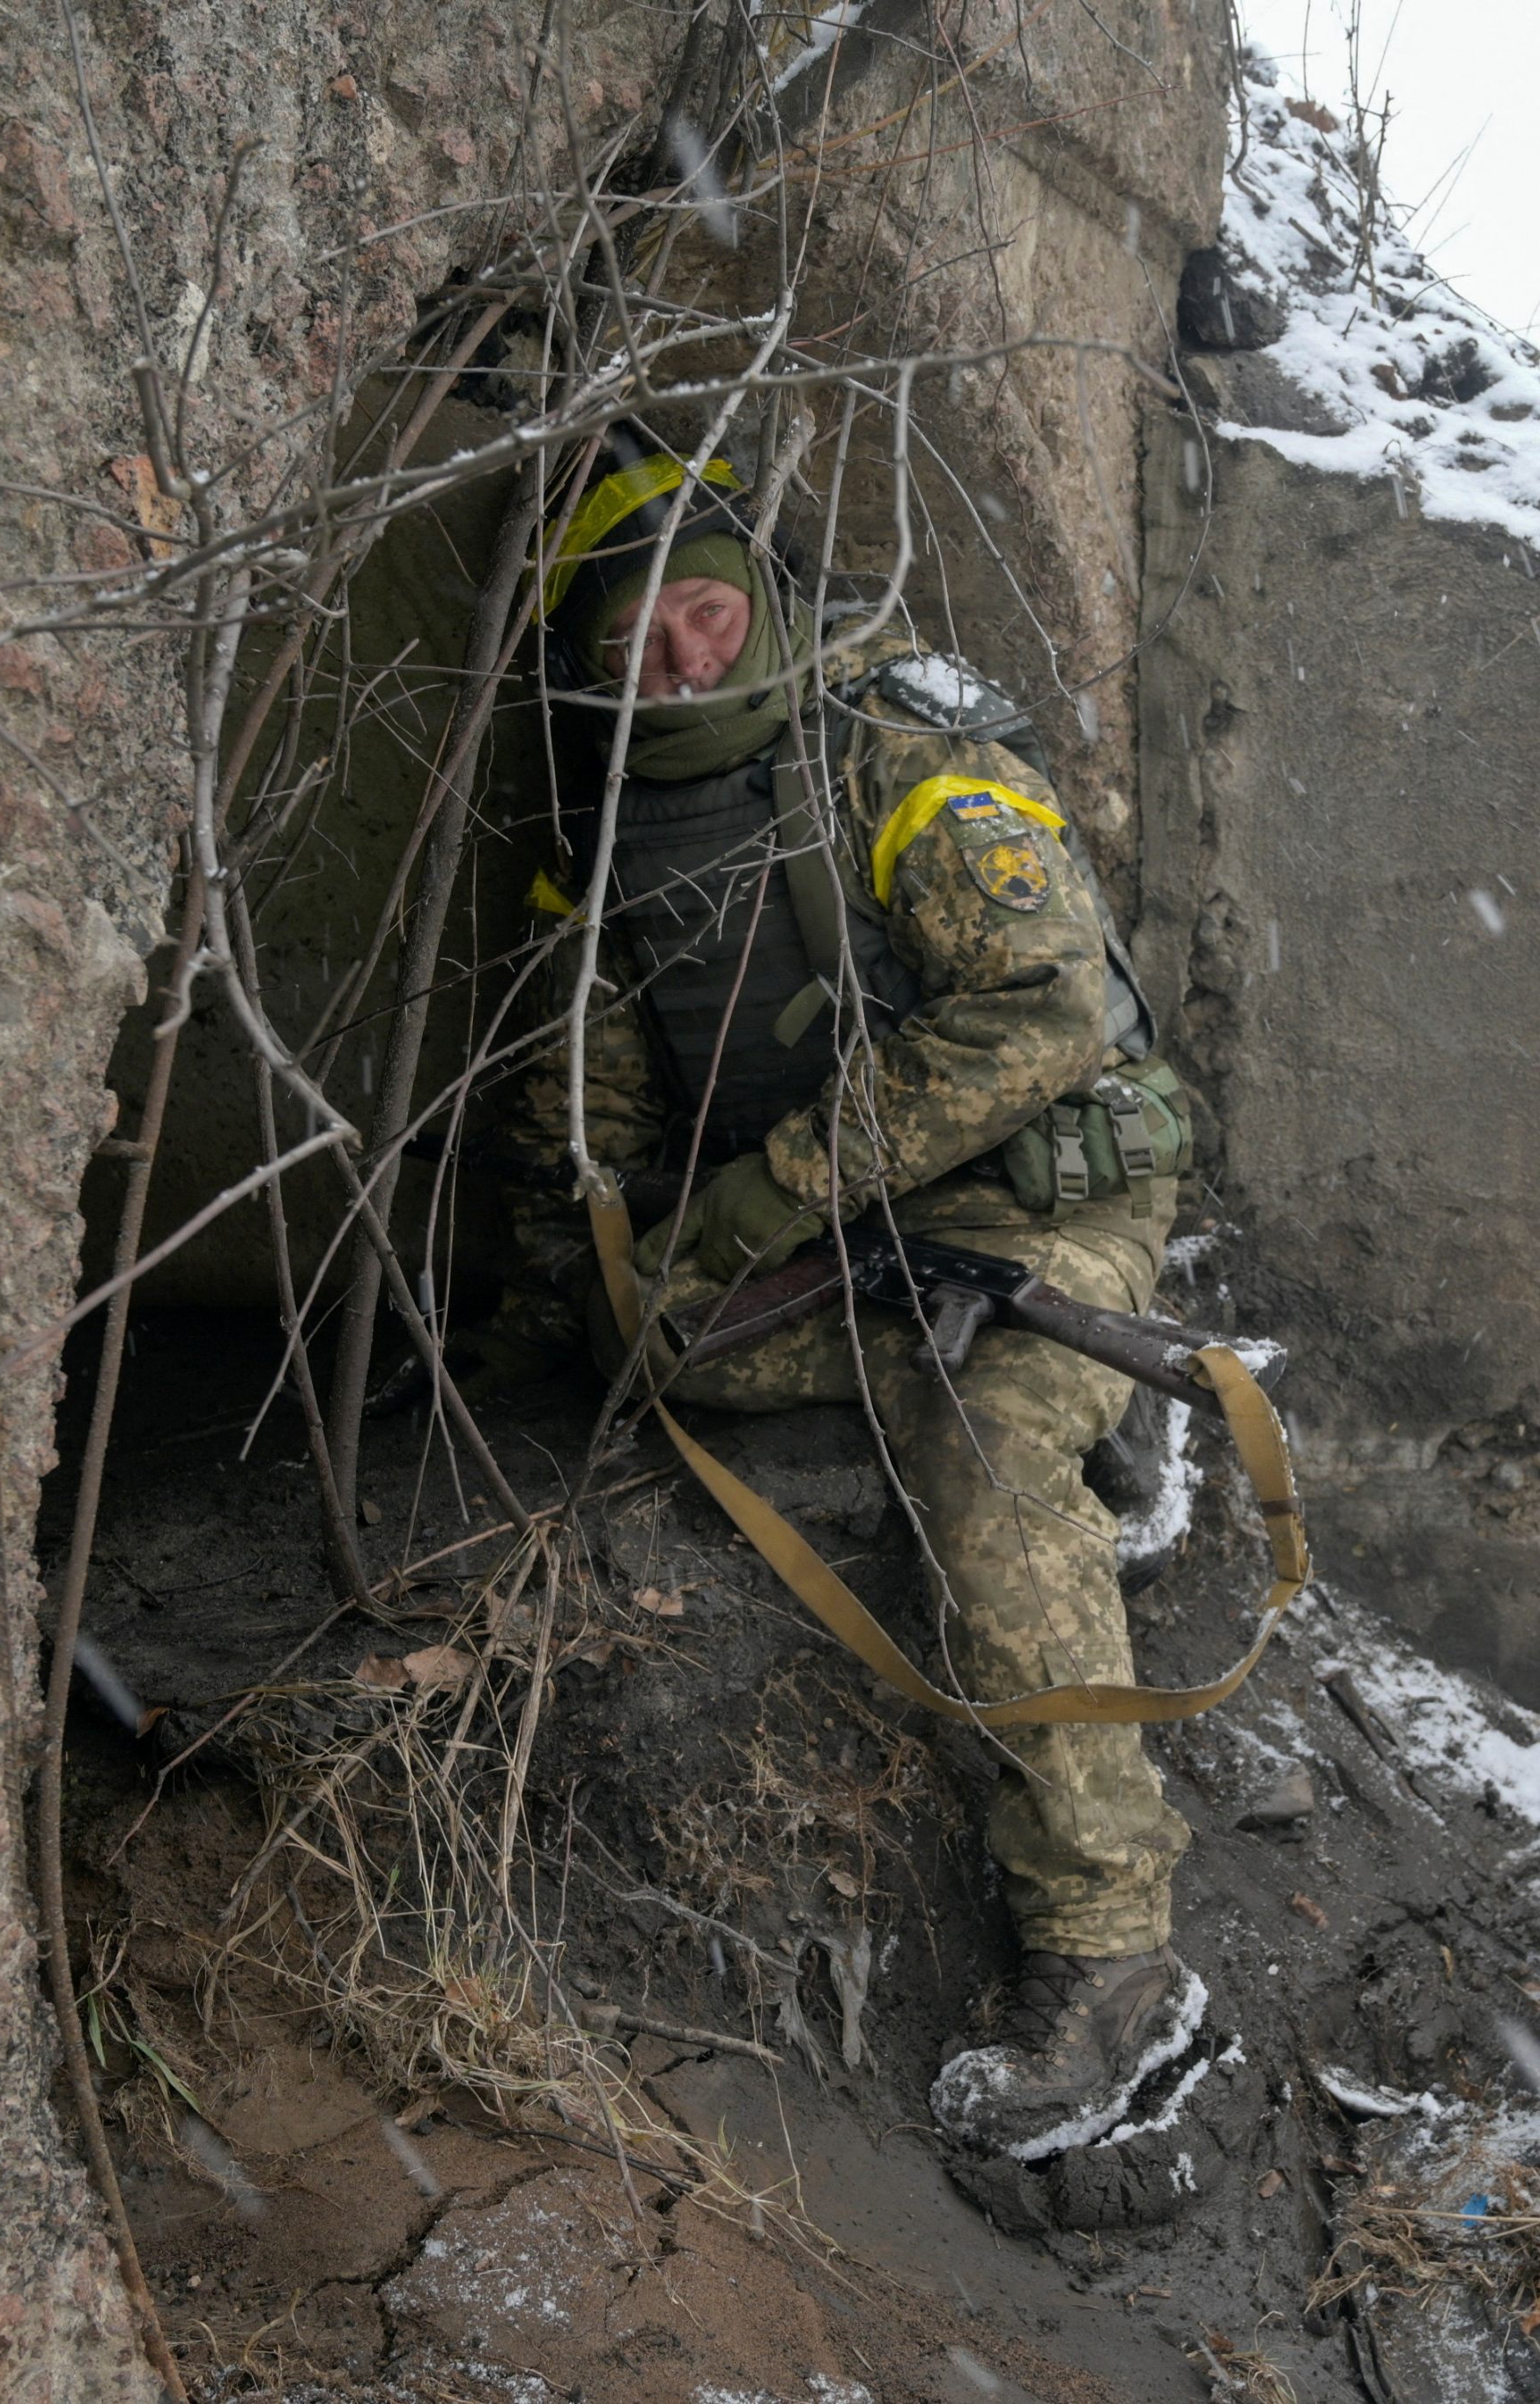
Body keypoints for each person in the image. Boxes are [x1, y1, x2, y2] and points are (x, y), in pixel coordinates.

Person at [492, 440, 1203, 2155]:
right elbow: (589, 1117)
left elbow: (1040, 1017)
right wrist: (550, 1306)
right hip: (867, 1222)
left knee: (980, 1434)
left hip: (1047, 1184)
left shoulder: (904, 752)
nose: (679, 664)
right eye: (634, 642)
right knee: (660, 1340)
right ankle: (1061, 1392)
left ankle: (1112, 1954)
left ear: (767, 598)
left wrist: (785, 1185)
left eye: (708, 614)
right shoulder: (601, 836)